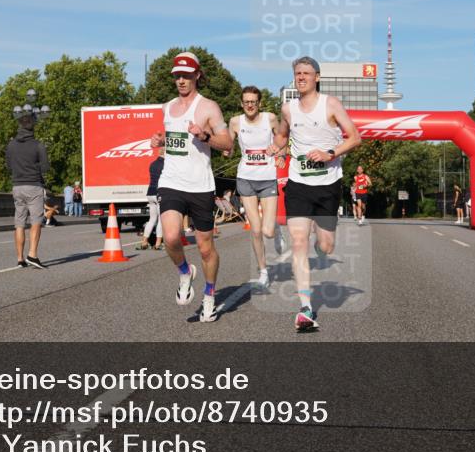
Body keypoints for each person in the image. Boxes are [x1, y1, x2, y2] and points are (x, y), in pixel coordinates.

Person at [269, 56, 361, 331]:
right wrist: (276, 146)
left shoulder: (330, 104)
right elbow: (282, 135)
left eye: (306, 73)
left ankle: (322, 240)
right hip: (298, 184)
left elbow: (355, 137)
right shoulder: (288, 109)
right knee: (299, 242)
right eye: (297, 73)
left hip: (328, 185)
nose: (301, 77)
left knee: (326, 245)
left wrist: (329, 153)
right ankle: (305, 308)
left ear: (317, 77)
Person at [150, 52, 233, 323]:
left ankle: (209, 295)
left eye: (186, 75)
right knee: (171, 237)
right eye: (177, 76)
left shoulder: (209, 107)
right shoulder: (167, 107)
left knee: (205, 248)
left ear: (197, 75)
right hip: (171, 182)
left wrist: (204, 135)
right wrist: (160, 140)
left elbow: (227, 143)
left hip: (200, 185)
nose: (181, 80)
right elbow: (173, 138)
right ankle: (185, 272)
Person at [226, 85, 280, 289]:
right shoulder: (235, 122)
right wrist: (227, 152)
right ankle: (263, 271)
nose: (250, 105)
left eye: (253, 102)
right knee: (255, 230)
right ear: (241, 103)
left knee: (268, 231)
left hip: (267, 178)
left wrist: (280, 151)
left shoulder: (270, 118)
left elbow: (283, 140)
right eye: (246, 102)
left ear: (259, 103)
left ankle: (276, 229)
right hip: (245, 178)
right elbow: (229, 146)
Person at [5, 113, 49, 269]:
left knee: (19, 223)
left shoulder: (11, 145)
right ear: (32, 127)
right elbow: (45, 167)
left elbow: (8, 166)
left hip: (17, 186)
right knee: (36, 221)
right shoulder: (38, 145)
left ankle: (20, 259)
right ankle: (32, 255)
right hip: (34, 186)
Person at [138, 149, 164, 250]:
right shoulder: (166, 164)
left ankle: (144, 242)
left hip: (150, 192)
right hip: (159, 193)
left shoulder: (152, 164)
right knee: (161, 220)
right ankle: (158, 243)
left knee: (152, 219)